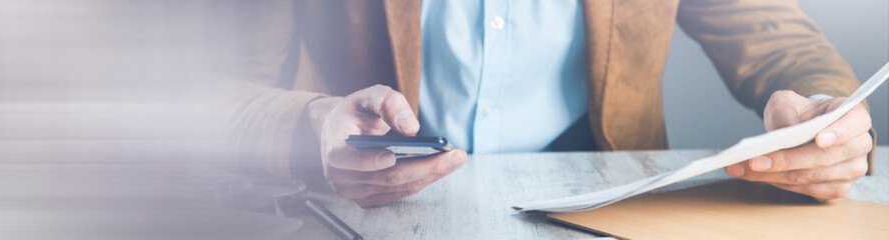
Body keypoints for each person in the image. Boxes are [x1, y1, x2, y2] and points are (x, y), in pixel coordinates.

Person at [223, 0, 876, 207]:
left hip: (606, 202)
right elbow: (220, 87)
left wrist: (822, 107)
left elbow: (768, 29)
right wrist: (314, 124)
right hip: (374, 212)